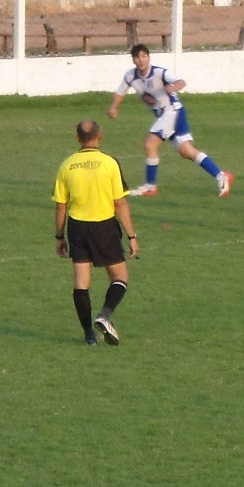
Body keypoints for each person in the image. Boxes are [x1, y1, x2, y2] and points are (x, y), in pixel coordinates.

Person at [53, 120, 140, 346]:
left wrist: (60, 237)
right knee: (120, 277)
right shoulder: (109, 163)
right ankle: (105, 315)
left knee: (81, 282)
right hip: (104, 226)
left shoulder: (67, 165)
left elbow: (61, 205)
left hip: (77, 226)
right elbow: (120, 203)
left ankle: (88, 335)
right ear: (100, 136)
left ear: (77, 138)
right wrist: (132, 236)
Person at [107, 44, 233, 197]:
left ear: (148, 57)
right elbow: (121, 92)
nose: (140, 60)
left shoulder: (159, 73)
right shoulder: (131, 76)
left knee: (150, 144)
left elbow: (181, 81)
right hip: (169, 114)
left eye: (143, 56)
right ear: (133, 60)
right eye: (137, 57)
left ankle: (150, 186)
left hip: (172, 112)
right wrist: (114, 107)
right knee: (187, 151)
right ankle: (221, 176)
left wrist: (172, 88)